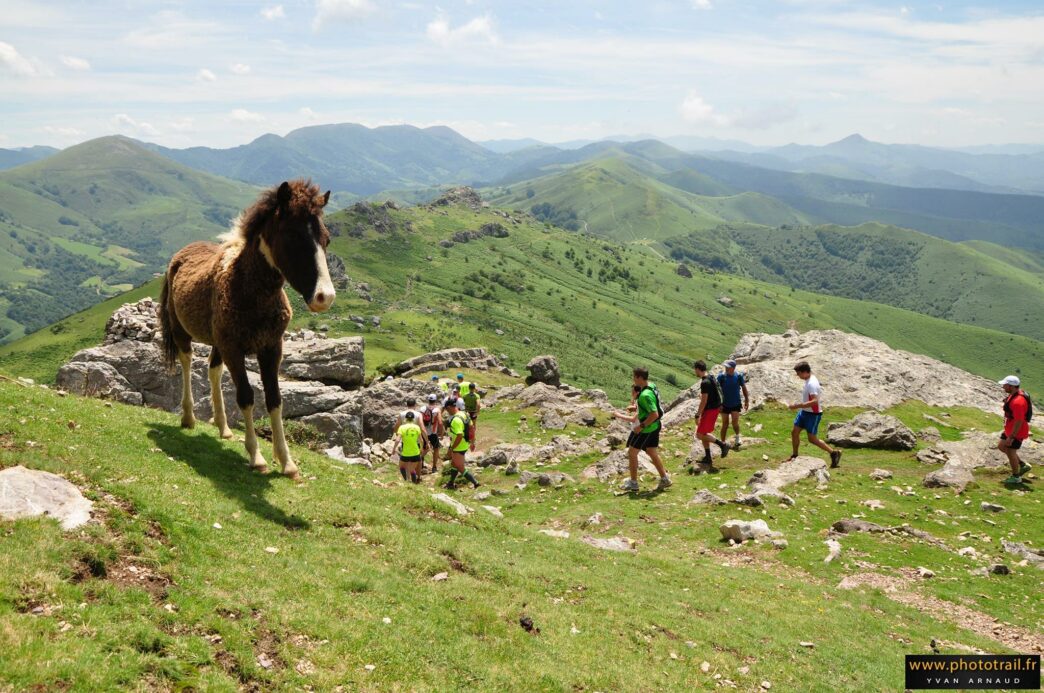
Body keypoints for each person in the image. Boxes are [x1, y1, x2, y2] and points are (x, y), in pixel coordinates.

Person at [621, 367, 671, 492]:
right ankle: (665, 479)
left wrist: (640, 426)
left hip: (647, 428)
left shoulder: (645, 395)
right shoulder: (651, 386)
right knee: (651, 452)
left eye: (634, 377)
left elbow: (654, 414)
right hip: (655, 426)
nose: (633, 379)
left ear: (639, 378)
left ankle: (633, 483)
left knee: (632, 453)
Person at [788, 361, 841, 468]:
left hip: (813, 414)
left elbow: (815, 401)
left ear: (805, 372)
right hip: (804, 412)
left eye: (798, 373)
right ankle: (795, 455)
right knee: (794, 432)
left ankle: (834, 453)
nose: (797, 376)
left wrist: (797, 405)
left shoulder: (812, 383)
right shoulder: (808, 380)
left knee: (812, 439)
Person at [692, 360, 730, 470]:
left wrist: (698, 414)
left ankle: (723, 445)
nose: (695, 372)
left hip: (710, 410)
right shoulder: (711, 376)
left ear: (698, 369)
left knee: (699, 434)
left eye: (695, 370)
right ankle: (708, 457)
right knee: (704, 432)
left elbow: (703, 401)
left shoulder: (705, 382)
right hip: (714, 408)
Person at [998, 375, 1033, 485]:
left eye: (1005, 385)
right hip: (1010, 428)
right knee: (1001, 446)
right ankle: (1023, 465)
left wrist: (1011, 436)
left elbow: (1019, 421)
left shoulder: (1018, 402)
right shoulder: (1015, 394)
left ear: (1011, 386)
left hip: (1016, 431)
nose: (1003, 386)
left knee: (1010, 451)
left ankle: (1016, 477)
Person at [443, 398, 480, 490]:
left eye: (447, 410)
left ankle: (475, 483)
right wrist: (472, 442)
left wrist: (452, 448)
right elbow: (471, 427)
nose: (447, 412)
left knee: (460, 467)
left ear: (449, 407)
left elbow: (459, 436)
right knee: (454, 464)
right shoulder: (464, 413)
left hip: (458, 446)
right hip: (465, 443)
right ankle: (451, 483)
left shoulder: (456, 420)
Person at [717, 360, 749, 450]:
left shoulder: (738, 376)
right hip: (724, 404)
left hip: (735, 403)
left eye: (728, 367)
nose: (726, 368)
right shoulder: (721, 376)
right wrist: (718, 404)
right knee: (725, 424)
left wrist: (747, 400)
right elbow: (717, 390)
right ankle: (723, 443)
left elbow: (744, 388)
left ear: (733, 368)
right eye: (725, 367)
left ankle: (738, 438)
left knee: (735, 422)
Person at [394, 411, 426, 484]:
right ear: (413, 419)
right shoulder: (417, 427)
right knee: (412, 469)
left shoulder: (402, 427)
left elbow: (397, 440)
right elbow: (421, 440)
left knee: (402, 467)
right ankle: (414, 483)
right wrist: (421, 449)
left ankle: (406, 481)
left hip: (406, 453)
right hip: (416, 452)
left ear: (406, 419)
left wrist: (393, 449)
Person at [421, 394, 444, 473]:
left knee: (423, 448)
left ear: (428, 400)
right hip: (433, 433)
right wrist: (441, 433)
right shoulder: (437, 410)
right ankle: (434, 467)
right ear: (435, 400)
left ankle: (421, 465)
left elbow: (419, 421)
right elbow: (440, 422)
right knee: (436, 448)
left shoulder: (423, 408)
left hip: (423, 432)